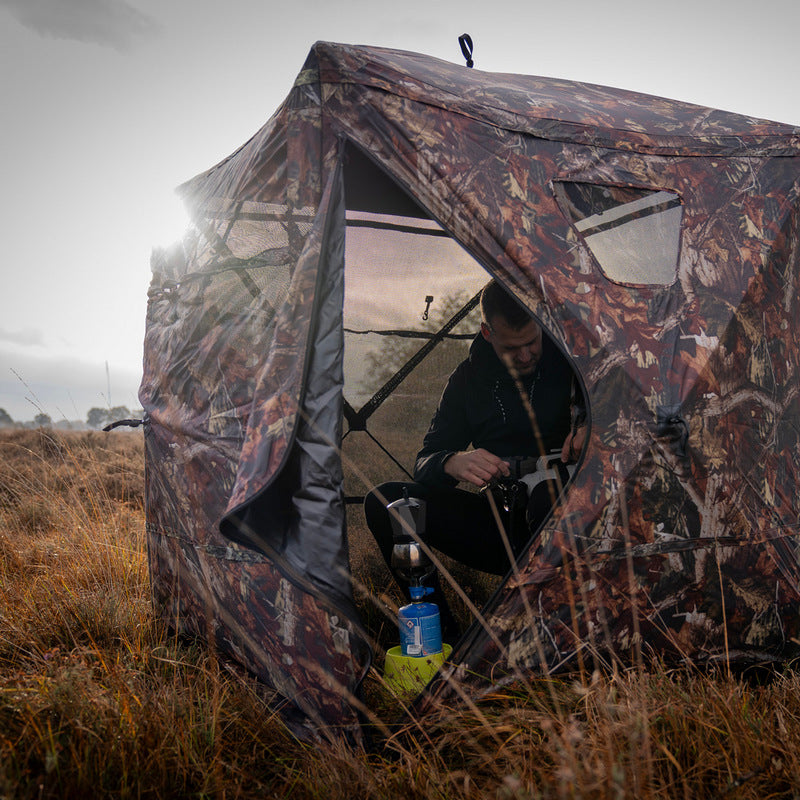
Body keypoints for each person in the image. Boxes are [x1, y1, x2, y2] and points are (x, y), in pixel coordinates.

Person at [364, 279, 585, 635]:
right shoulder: (468, 381)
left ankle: (560, 633)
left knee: (549, 497)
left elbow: (633, 412)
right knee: (386, 501)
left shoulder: (575, 359)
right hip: (501, 524)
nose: (527, 355)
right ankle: (446, 639)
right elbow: (425, 461)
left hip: (571, 517)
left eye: (532, 341)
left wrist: (594, 429)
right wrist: (452, 461)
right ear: (487, 333)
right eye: (513, 348)